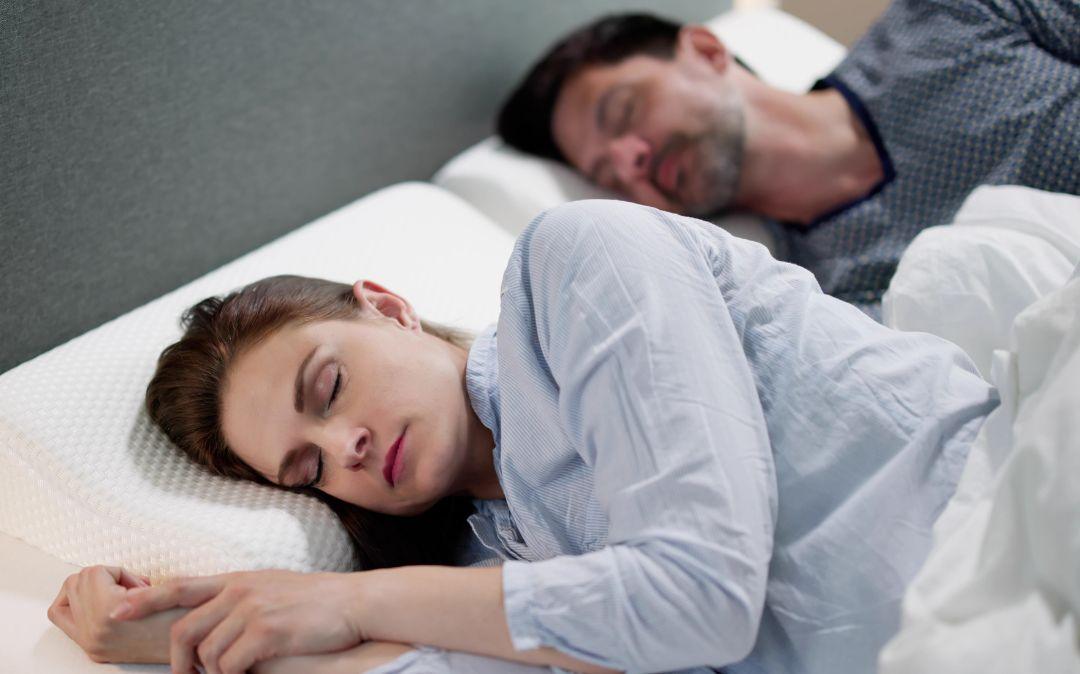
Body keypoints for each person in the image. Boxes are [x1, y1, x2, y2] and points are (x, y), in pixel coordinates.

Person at [50, 200, 997, 674]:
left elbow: (702, 594)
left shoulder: (577, 263)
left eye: (328, 388)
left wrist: (351, 601)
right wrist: (174, 641)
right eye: (309, 468)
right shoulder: (479, 569)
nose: (345, 450)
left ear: (387, 306)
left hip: (1005, 541)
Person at [497, 3, 1080, 316]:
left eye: (624, 113)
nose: (630, 163)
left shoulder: (953, 19)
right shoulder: (827, 298)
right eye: (607, 175)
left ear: (706, 50)